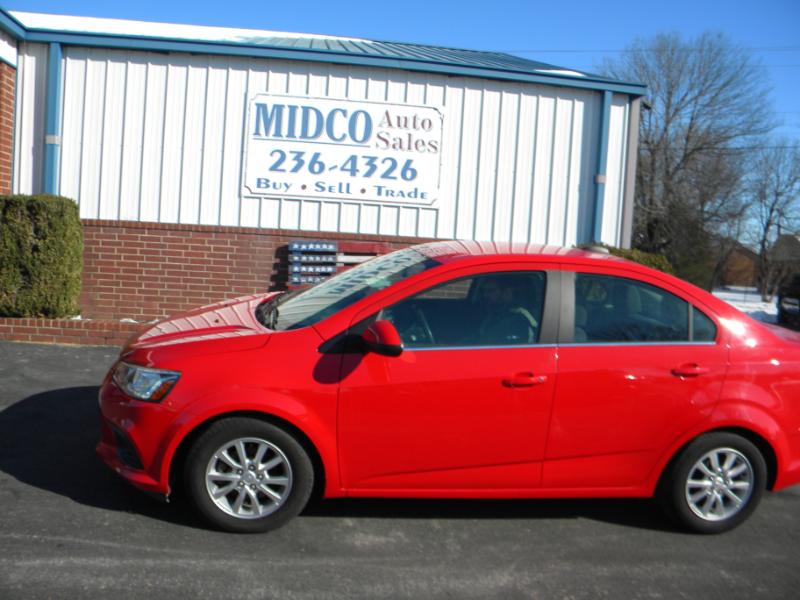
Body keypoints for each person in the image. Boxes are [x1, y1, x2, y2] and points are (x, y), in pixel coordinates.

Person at [475, 276, 538, 345]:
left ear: (506, 292)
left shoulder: (520, 317)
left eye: (490, 291)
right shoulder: (492, 313)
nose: (485, 295)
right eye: (483, 291)